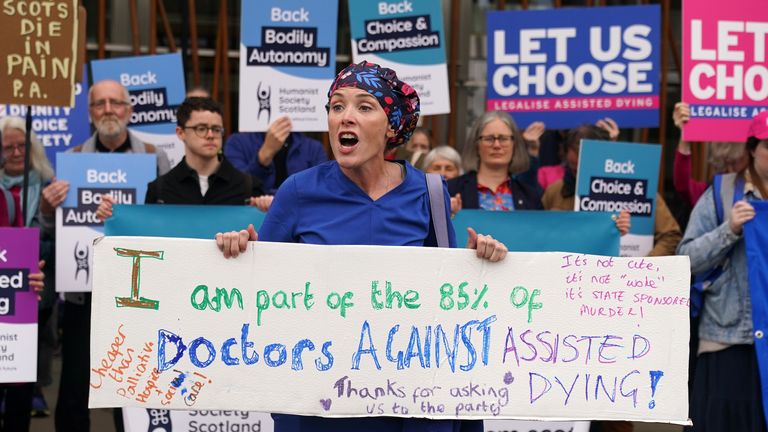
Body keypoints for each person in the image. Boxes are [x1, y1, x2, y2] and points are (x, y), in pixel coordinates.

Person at [215, 61, 508, 432]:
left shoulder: (430, 192)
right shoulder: (298, 191)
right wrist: (242, 253)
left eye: (364, 107)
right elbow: (263, 293)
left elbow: (447, 306)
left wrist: (481, 261)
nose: (345, 117)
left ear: (391, 127)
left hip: (405, 406)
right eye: (337, 106)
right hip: (318, 407)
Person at [40, 79, 172, 432]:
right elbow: (52, 230)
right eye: (100, 104)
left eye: (116, 103)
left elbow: (166, 217)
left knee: (131, 386)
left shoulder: (153, 156)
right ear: (90, 113)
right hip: (85, 294)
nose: (108, 110)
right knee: (74, 385)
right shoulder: (72, 159)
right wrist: (47, 208)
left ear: (129, 111)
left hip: (137, 294)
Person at [677, 111, 768, 432]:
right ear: (753, 149)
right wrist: (728, 230)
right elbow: (685, 259)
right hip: (727, 342)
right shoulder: (722, 193)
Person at [97, 97, 267, 219]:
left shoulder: (249, 187)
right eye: (201, 128)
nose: (210, 135)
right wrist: (116, 215)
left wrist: (268, 209)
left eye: (216, 129)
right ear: (180, 133)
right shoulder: (159, 190)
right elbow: (147, 238)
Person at [0, 116, 52, 429]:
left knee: (21, 382)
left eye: (23, 146)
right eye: (9, 147)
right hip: (3, 293)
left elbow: (56, 240)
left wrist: (39, 260)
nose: (17, 152)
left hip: (35, 294)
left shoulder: (50, 186)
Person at [447, 110, 543, 213]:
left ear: (514, 145)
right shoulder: (450, 190)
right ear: (476, 145)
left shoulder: (530, 196)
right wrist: (452, 216)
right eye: (489, 139)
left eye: (503, 139)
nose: (497, 145)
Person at [224, 116, 327, 194]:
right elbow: (234, 189)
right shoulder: (236, 143)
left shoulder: (314, 148)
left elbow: (321, 188)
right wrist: (264, 156)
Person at [672, 102, 748, 207]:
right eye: (726, 164)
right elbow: (684, 186)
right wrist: (685, 132)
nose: (730, 170)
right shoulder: (712, 192)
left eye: (735, 163)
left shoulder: (761, 190)